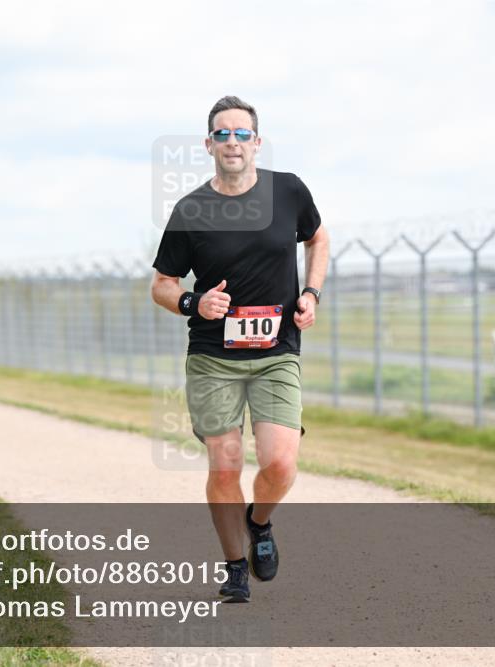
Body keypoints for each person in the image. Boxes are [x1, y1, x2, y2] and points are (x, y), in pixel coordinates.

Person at [151, 96, 329, 602]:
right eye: (222, 134)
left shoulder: (288, 191)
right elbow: (162, 284)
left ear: (257, 140)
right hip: (213, 357)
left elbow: (319, 240)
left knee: (279, 465)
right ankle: (234, 568)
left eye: (241, 133)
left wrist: (311, 294)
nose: (232, 142)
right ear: (208, 145)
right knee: (225, 465)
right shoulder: (191, 209)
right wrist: (194, 301)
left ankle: (261, 522)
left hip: (276, 352)